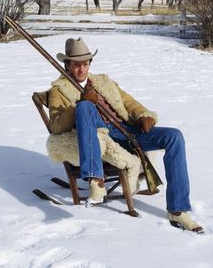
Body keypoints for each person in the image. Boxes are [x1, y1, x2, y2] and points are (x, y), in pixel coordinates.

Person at [48, 37, 204, 233]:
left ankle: (178, 209)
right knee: (86, 106)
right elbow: (55, 126)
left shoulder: (104, 82)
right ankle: (96, 180)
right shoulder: (59, 90)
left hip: (125, 131)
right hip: (101, 136)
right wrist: (80, 102)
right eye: (76, 65)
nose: (81, 69)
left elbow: (131, 104)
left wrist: (144, 117)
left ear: (90, 64)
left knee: (175, 137)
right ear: (67, 64)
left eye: (85, 64)